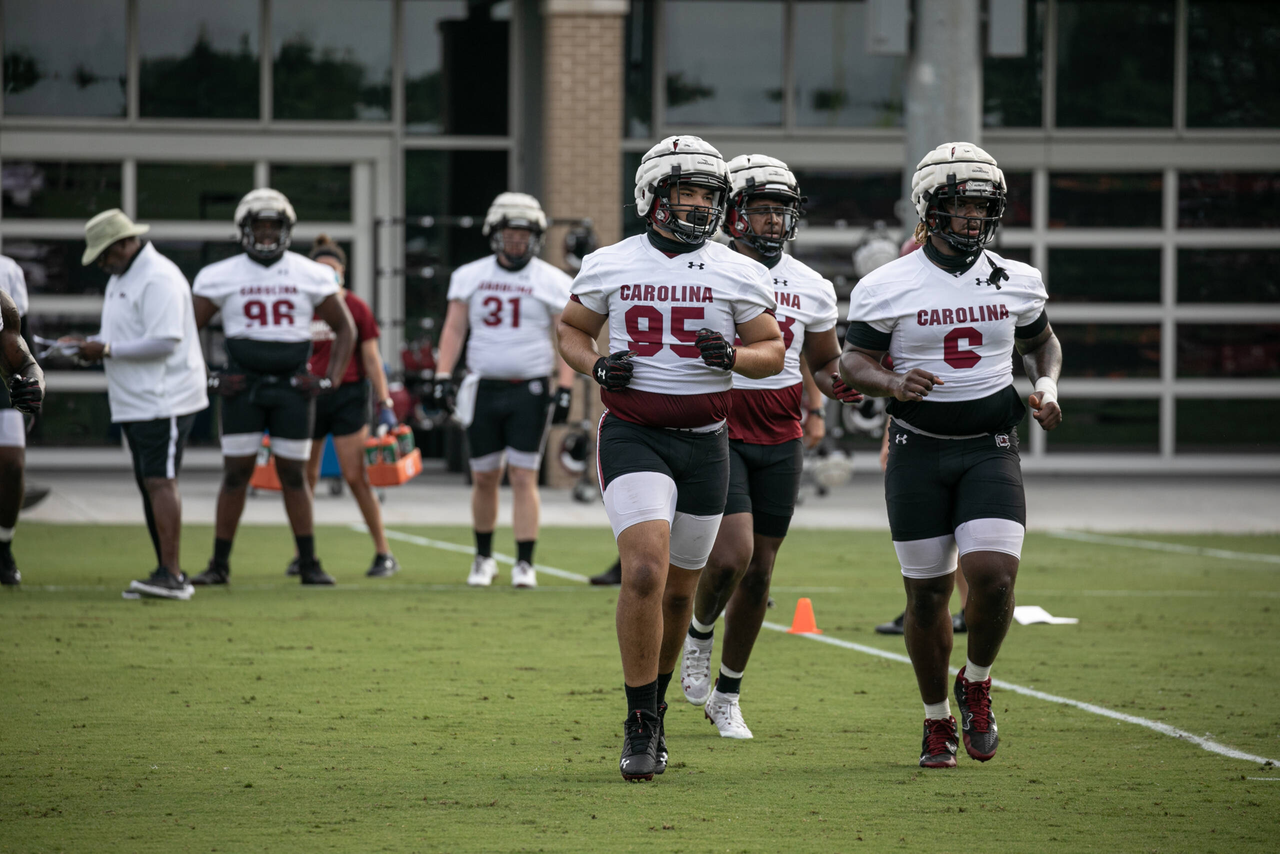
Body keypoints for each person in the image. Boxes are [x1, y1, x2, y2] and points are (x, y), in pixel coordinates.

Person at [556, 135, 785, 781]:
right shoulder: (610, 262)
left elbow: (771, 349)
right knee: (645, 573)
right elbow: (571, 330)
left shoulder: (738, 268)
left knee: (683, 588)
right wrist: (597, 363)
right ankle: (640, 723)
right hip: (634, 433)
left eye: (708, 195)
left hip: (707, 441)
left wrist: (733, 357)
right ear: (653, 195)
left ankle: (654, 708)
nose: (697, 206)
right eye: (685, 191)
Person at [838, 142, 1063, 769]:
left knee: (993, 577)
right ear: (929, 208)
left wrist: (1045, 386)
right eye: (959, 206)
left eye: (982, 207)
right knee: (928, 597)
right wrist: (890, 383)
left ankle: (979, 680)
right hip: (917, 451)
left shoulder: (1016, 278)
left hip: (990, 446)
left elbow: (1043, 344)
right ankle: (936, 719)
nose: (972, 218)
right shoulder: (887, 283)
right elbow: (854, 360)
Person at [678, 155, 863, 738]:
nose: (773, 221)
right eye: (761, 209)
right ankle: (699, 630)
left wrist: (852, 386)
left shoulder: (811, 284)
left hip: (781, 429)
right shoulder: (705, 267)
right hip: (720, 419)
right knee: (730, 555)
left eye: (781, 210)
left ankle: (727, 694)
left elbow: (825, 363)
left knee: (760, 572)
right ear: (734, 213)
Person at [189, 189, 356, 587]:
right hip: (241, 385)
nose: (266, 234)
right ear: (243, 230)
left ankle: (308, 562)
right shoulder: (221, 274)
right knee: (235, 475)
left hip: (291, 388)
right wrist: (209, 378)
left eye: (273, 227)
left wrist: (329, 378)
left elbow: (346, 327)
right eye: (258, 226)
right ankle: (219, 564)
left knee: (294, 475)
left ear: (286, 230)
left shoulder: (310, 272)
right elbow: (185, 328)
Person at [432, 192, 575, 589]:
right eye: (510, 234)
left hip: (529, 389)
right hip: (482, 388)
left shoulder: (551, 279)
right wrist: (442, 375)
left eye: (523, 234)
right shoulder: (470, 275)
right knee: (484, 476)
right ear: (494, 235)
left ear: (536, 238)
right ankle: (483, 557)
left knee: (524, 474)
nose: (516, 242)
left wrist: (564, 387)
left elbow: (565, 335)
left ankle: (525, 562)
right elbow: (454, 328)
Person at [69, 210, 210, 599]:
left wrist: (107, 349)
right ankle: (164, 570)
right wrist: (88, 343)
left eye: (104, 254)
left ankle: (173, 575)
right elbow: (125, 333)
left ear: (123, 245)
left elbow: (166, 341)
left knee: (160, 482)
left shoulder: (158, 277)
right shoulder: (125, 277)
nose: (101, 263)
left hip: (163, 399)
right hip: (137, 399)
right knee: (150, 484)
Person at [282, 235, 400, 579]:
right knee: (305, 476)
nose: (326, 275)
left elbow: (372, 358)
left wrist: (385, 403)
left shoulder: (356, 307)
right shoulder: (303, 307)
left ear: (342, 273)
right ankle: (301, 554)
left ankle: (383, 552)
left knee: (355, 476)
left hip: (348, 395)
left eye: (332, 269)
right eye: (320, 269)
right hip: (310, 395)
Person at [873, 239, 968, 635]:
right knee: (932, 533)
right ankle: (933, 606)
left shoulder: (944, 303)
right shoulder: (909, 303)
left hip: (954, 433)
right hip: (920, 428)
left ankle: (960, 608)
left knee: (955, 529)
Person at [0, 254, 42, 586]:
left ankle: (3, 544)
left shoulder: (7, 271)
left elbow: (21, 345)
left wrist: (34, 388)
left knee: (12, 464)